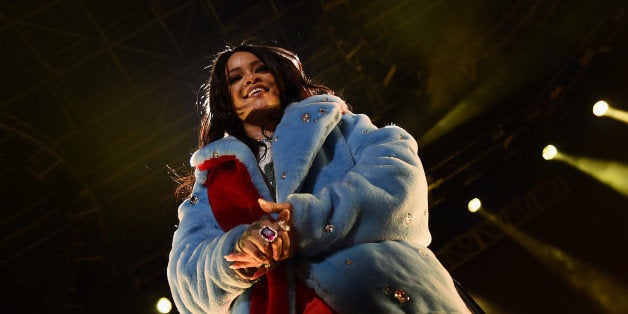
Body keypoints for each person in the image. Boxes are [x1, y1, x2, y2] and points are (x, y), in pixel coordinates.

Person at [167, 41, 473, 313]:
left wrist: (302, 223)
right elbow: (186, 280)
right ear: (226, 101)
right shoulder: (210, 181)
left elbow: (397, 181)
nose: (251, 78)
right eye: (235, 78)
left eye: (261, 69)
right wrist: (239, 250)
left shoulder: (341, 126)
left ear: (279, 78)